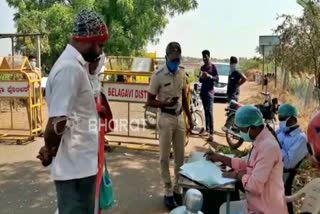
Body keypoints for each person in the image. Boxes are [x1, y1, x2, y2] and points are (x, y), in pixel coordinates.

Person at [36, 9, 109, 214]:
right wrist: (49, 150)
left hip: (80, 167)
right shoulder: (70, 69)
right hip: (75, 171)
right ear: (90, 41)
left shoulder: (76, 67)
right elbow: (57, 122)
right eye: (100, 45)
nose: (101, 51)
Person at [205, 105, 288, 214]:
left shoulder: (268, 147)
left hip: (266, 209)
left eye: (242, 129)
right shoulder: (261, 140)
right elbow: (247, 163)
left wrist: (238, 175)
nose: (240, 133)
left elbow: (255, 186)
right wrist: (221, 158)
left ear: (253, 127)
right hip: (256, 205)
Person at [147, 42, 193, 210]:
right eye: (173, 59)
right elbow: (149, 101)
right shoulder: (157, 75)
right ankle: (167, 191)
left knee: (180, 158)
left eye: (177, 59)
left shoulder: (181, 73)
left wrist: (189, 117)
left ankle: (177, 189)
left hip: (179, 118)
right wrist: (163, 103)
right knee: (164, 157)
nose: (175, 62)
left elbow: (183, 96)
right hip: (165, 119)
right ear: (166, 58)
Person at [277, 104, 308, 174]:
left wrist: (276, 143)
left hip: (282, 175)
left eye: (282, 118)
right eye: (279, 118)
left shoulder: (301, 138)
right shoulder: (280, 131)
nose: (280, 122)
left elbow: (288, 164)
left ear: (293, 119)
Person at [199, 50, 218, 141]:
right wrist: (202, 77)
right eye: (203, 57)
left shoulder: (213, 67)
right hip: (203, 92)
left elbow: (217, 78)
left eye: (206, 56)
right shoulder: (202, 67)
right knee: (206, 111)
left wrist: (209, 76)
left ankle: (211, 133)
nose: (204, 58)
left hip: (210, 93)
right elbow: (200, 80)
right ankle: (207, 130)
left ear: (209, 57)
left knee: (210, 112)